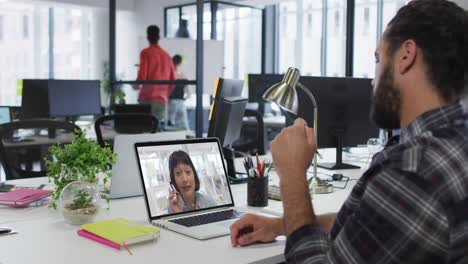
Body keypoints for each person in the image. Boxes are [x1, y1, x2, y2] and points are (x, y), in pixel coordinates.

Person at [230, 0, 468, 263]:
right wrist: (281, 226)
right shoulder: (454, 143)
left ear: (405, 55)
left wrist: (293, 175)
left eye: (378, 59)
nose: (372, 79)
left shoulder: (413, 170)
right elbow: (373, 228)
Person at [134, 25, 175, 123]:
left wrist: (135, 85)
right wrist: (165, 94)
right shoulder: (166, 55)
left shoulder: (146, 53)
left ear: (147, 37)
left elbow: (142, 76)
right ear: (159, 37)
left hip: (146, 98)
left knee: (144, 129)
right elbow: (173, 81)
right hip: (161, 99)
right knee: (157, 130)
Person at [168, 55, 190, 130]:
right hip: (180, 102)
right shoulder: (183, 75)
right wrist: (185, 99)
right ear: (180, 63)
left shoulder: (169, 74)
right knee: (183, 124)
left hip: (171, 101)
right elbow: (188, 93)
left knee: (170, 123)